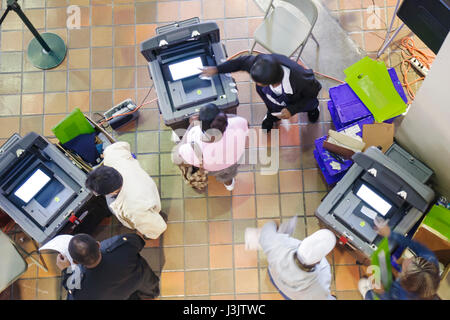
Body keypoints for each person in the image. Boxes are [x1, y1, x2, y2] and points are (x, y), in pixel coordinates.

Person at [200, 53, 322, 132]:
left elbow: (313, 92)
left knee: (309, 104)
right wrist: (217, 69)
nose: (256, 84)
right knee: (273, 107)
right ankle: (271, 118)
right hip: (273, 99)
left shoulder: (301, 79)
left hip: (298, 99)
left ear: (273, 83)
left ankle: (313, 110)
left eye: (258, 83)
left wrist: (292, 110)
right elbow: (241, 63)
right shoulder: (260, 63)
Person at [85, 141, 166, 240]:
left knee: (150, 219)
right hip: (145, 185)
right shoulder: (112, 154)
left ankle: (158, 214)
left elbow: (158, 227)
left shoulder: (132, 208)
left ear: (113, 192)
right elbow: (122, 145)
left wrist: (150, 233)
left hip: (144, 203)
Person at [56, 233, 160, 300]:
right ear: (98, 245)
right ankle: (151, 295)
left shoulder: (78, 285)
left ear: (75, 262)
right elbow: (138, 241)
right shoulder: (119, 245)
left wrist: (66, 270)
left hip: (116, 296)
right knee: (150, 288)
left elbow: (73, 294)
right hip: (141, 279)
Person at [176, 103, 248, 191]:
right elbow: (246, 125)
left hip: (211, 168)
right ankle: (229, 185)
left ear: (201, 125)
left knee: (218, 173)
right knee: (228, 175)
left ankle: (227, 183)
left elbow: (179, 153)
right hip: (233, 161)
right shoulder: (238, 123)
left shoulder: (193, 138)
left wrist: (192, 125)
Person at [358, 224, 441, 300]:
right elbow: (412, 243)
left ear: (404, 278)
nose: (407, 259)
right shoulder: (429, 258)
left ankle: (367, 293)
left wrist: (382, 293)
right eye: (414, 258)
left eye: (404, 269)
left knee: (368, 292)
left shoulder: (401, 296)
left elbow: (389, 296)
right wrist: (390, 233)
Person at [259, 221, 336, 300]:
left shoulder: (277, 244)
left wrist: (274, 224)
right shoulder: (323, 270)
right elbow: (321, 297)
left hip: (276, 280)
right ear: (318, 261)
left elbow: (266, 230)